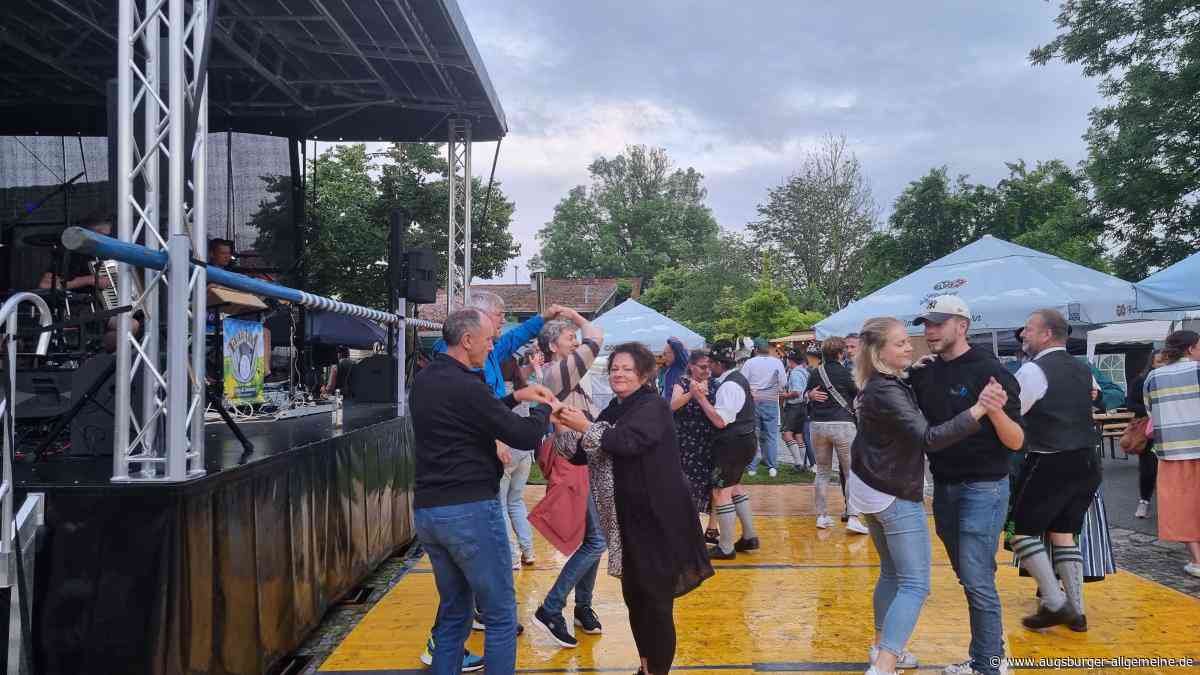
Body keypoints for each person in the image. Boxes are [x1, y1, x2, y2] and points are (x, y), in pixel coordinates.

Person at [852, 317, 1008, 675]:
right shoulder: (887, 390)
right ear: (879, 353)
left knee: (891, 573)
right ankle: (885, 665)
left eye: (909, 341)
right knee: (915, 584)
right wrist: (979, 409)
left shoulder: (882, 383)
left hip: (871, 489)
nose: (910, 347)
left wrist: (911, 370)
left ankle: (880, 650)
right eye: (900, 343)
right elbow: (929, 438)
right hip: (893, 491)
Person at [421, 293, 567, 667]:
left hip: (429, 513)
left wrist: (515, 395)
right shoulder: (467, 385)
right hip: (468, 511)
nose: (492, 347)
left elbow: (474, 414)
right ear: (467, 339)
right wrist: (542, 409)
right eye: (489, 340)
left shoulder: (427, 379)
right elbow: (523, 436)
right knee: (501, 615)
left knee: (454, 615)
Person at [553, 342, 714, 675]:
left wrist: (586, 427)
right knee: (635, 598)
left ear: (643, 373)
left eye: (627, 369)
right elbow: (587, 450)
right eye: (614, 369)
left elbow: (624, 442)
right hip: (629, 520)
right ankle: (645, 665)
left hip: (659, 520)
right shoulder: (616, 407)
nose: (619, 374)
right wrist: (562, 425)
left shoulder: (653, 407)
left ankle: (657, 670)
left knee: (655, 603)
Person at [908, 295, 1024, 675]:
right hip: (943, 487)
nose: (930, 330)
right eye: (926, 323)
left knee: (975, 579)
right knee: (972, 576)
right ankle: (989, 656)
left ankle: (988, 665)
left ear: (962, 325)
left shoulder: (990, 372)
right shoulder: (924, 372)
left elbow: (1016, 441)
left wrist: (992, 410)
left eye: (939, 323)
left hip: (984, 487)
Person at [1009, 309, 1103, 631]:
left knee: (1019, 531)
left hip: (1050, 458)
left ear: (1047, 334)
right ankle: (1077, 613)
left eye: (1029, 330)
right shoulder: (1083, 370)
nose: (1024, 335)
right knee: (1064, 534)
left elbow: (1013, 416)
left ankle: (1055, 602)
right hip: (1089, 460)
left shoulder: (1033, 371)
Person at [530, 309, 606, 649]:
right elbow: (596, 337)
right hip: (573, 461)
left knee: (594, 538)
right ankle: (552, 606)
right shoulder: (558, 374)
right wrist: (575, 315)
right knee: (596, 541)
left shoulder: (568, 372)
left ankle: (583, 607)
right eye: (568, 338)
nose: (575, 341)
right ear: (552, 345)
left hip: (585, 460)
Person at [693, 345, 761, 559]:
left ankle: (725, 546)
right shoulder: (738, 379)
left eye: (711, 364)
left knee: (721, 492)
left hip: (732, 444)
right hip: (745, 440)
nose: (709, 368)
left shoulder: (729, 386)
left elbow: (720, 420)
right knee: (735, 488)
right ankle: (749, 536)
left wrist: (700, 398)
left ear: (720, 364)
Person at [1143, 330, 1200, 578]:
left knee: (1180, 506)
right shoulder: (1198, 370)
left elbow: (1150, 412)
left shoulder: (1153, 377)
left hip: (1171, 451)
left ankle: (1197, 559)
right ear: (1190, 349)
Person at [805, 337, 868, 534]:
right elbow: (860, 394)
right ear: (841, 354)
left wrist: (809, 395)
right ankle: (853, 517)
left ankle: (822, 517)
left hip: (818, 425)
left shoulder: (815, 373)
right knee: (851, 473)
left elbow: (807, 393)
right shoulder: (847, 373)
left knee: (822, 472)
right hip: (843, 425)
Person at [498, 356, 536, 570]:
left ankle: (511, 555)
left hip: (505, 454)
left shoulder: (498, 392)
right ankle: (528, 551)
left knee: (501, 504)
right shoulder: (525, 390)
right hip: (525, 454)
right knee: (516, 501)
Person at [671, 349, 718, 514]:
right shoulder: (682, 382)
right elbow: (672, 405)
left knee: (710, 482)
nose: (707, 371)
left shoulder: (714, 384)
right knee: (687, 482)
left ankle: (710, 528)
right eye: (702, 367)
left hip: (708, 439)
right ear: (691, 366)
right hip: (686, 440)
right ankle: (688, 521)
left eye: (708, 367)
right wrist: (692, 393)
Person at [1126, 351, 1164, 518]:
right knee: (1148, 468)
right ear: (1152, 363)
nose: (1162, 364)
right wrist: (1150, 411)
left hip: (1168, 429)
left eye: (1165, 361)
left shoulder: (1169, 379)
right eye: (1159, 361)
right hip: (1147, 429)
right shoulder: (1141, 380)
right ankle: (1144, 502)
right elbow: (1130, 404)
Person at [742, 338, 788, 477]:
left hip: (753, 400)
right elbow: (783, 382)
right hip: (771, 400)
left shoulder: (749, 363)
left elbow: (743, 381)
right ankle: (772, 467)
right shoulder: (777, 362)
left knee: (753, 434)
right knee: (772, 435)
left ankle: (752, 467)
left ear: (755, 349)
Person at [782, 349, 814, 470]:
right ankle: (803, 465)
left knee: (787, 434)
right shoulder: (804, 372)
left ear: (790, 361)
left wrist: (785, 395)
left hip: (794, 406)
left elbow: (797, 392)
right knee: (798, 435)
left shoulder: (795, 373)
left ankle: (798, 463)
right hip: (803, 407)